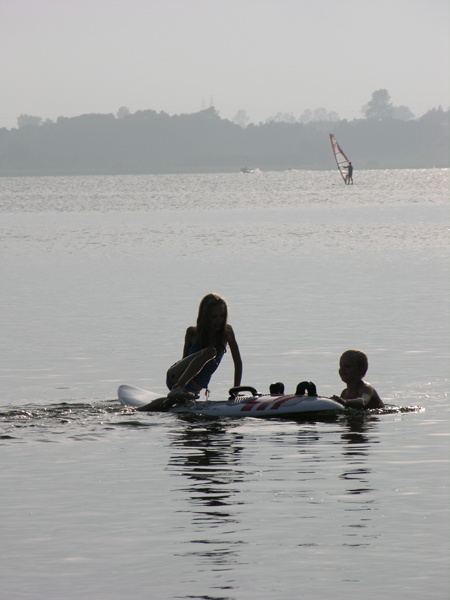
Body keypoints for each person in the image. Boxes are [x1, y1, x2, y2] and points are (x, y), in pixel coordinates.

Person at [162, 293, 242, 407]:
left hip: (194, 388)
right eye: (214, 317)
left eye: (222, 316)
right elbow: (184, 361)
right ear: (205, 316)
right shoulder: (192, 333)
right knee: (210, 351)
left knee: (170, 406)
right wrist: (180, 386)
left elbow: (238, 363)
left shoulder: (227, 332)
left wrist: (236, 392)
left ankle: (139, 410)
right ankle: (178, 388)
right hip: (176, 378)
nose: (219, 320)